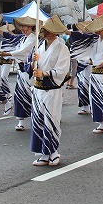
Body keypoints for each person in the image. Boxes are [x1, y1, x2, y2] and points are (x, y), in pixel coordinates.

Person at [28, 16, 70, 166]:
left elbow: (63, 69)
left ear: (55, 32)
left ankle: (53, 152)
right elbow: (33, 67)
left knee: (51, 119)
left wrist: (45, 73)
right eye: (44, 30)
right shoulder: (39, 45)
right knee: (38, 120)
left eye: (48, 30)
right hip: (38, 89)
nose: (45, 32)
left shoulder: (62, 48)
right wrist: (32, 61)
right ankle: (42, 153)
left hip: (52, 89)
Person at [0, 16, 38, 131]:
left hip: (30, 70)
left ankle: (36, 118)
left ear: (31, 27)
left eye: (25, 26)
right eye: (21, 26)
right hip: (21, 71)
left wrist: (7, 54)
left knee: (31, 94)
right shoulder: (23, 38)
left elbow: (23, 51)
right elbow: (12, 38)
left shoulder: (33, 38)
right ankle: (21, 121)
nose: (23, 29)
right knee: (20, 95)